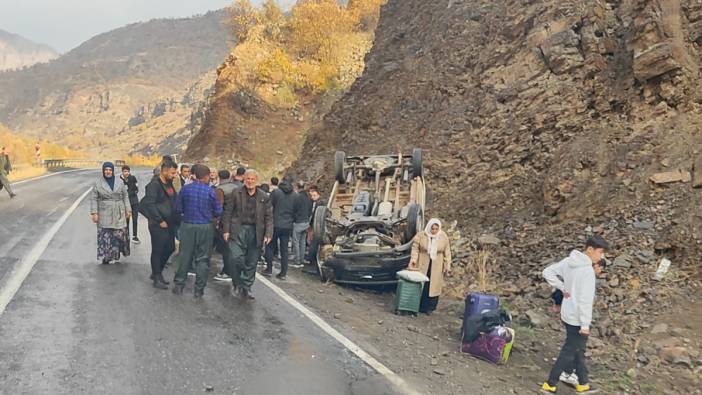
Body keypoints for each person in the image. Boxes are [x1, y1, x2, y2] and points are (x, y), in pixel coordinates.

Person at [540, 235, 609, 394]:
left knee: (578, 349)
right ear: (590, 249)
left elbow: (547, 272)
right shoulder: (587, 271)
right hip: (578, 318)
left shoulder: (568, 261)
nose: (602, 256)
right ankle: (550, 384)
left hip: (567, 314)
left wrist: (562, 287)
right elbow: (585, 301)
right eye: (600, 252)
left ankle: (583, 384)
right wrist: (585, 325)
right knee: (570, 350)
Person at [172, 165, 223, 298]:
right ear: (206, 177)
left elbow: (177, 208)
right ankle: (199, 289)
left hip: (188, 225)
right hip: (205, 227)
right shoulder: (211, 192)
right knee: (203, 258)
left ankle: (179, 285)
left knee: (185, 256)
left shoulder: (185, 189)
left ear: (194, 175)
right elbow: (218, 211)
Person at [222, 169, 273, 300]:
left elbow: (269, 217)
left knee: (252, 260)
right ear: (244, 180)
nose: (250, 181)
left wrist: (268, 233)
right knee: (235, 258)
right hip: (238, 229)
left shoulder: (264, 197)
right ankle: (237, 283)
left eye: (252, 179)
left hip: (256, 230)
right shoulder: (236, 193)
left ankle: (247, 287)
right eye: (247, 179)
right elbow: (227, 212)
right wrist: (226, 230)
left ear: (257, 181)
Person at [142, 160, 179, 289]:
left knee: (170, 248)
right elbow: (150, 204)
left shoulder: (169, 184)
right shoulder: (154, 185)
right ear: (164, 171)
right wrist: (159, 220)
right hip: (158, 224)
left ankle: (157, 271)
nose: (174, 175)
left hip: (169, 223)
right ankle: (157, 276)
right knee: (158, 250)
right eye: (172, 173)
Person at [90, 162, 131, 264]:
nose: (108, 172)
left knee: (119, 234)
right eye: (106, 170)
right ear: (103, 171)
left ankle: (116, 253)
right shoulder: (98, 183)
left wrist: (128, 209)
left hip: (118, 210)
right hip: (104, 211)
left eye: (110, 170)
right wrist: (94, 213)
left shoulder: (120, 182)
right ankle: (106, 256)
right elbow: (93, 198)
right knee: (106, 235)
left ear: (112, 171)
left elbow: (125, 196)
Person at [408, 218, 452, 315]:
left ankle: (430, 308)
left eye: (436, 229)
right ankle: (417, 306)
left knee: (434, 285)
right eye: (432, 229)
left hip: (437, 264)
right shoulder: (421, 235)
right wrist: (413, 260)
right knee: (422, 284)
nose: (434, 231)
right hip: (423, 262)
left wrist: (447, 265)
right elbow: (415, 248)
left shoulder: (443, 236)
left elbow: (447, 252)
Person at [264, 176, 296, 280]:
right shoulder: (295, 195)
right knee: (284, 249)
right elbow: (296, 211)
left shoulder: (276, 192)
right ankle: (283, 273)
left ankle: (269, 269)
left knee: (270, 246)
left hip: (275, 223)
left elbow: (268, 206)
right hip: (288, 225)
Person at [213, 169, 238, 283]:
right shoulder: (236, 187)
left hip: (225, 222)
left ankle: (227, 271)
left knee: (225, 248)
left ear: (219, 176)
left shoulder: (220, 189)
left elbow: (219, 207)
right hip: (237, 221)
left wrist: (216, 222)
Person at [292, 180, 312, 268]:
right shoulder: (308, 197)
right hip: (306, 222)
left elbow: (294, 209)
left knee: (296, 241)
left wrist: (295, 218)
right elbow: (310, 209)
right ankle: (302, 260)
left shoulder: (296, 197)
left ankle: (297, 260)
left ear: (297, 187)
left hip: (298, 222)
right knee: (303, 242)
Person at [304, 186, 325, 274]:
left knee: (313, 242)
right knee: (311, 242)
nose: (313, 197)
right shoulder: (314, 203)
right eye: (312, 196)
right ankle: (311, 259)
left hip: (317, 226)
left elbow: (317, 216)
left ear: (318, 195)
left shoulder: (320, 204)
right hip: (313, 225)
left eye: (314, 195)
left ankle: (311, 259)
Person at [120, 165, 140, 243]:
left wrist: (130, 193)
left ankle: (135, 236)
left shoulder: (133, 178)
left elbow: (136, 189)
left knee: (135, 219)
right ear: (122, 172)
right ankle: (126, 235)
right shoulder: (120, 180)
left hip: (134, 202)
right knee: (126, 220)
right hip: (125, 203)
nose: (126, 173)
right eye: (125, 171)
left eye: (128, 171)